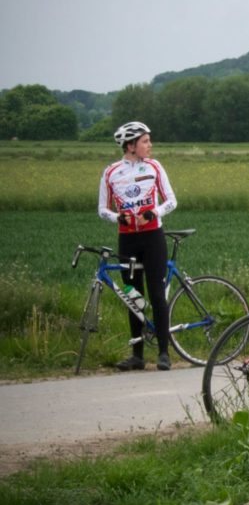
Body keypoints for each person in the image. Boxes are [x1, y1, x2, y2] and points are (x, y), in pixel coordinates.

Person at [98, 121, 178, 371]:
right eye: (145, 141)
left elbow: (172, 201)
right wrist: (117, 217)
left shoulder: (154, 167)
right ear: (130, 146)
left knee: (155, 293)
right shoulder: (111, 172)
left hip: (153, 237)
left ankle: (164, 353)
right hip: (127, 240)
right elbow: (102, 209)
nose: (150, 145)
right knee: (133, 296)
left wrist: (153, 213)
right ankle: (137, 356)